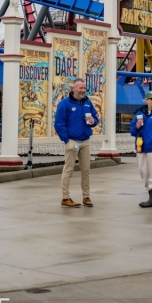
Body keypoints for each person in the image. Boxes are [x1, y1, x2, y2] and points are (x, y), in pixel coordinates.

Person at [54, 79, 99, 208]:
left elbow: (95, 118)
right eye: (81, 88)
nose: (83, 90)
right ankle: (65, 197)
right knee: (68, 170)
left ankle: (86, 196)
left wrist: (93, 121)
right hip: (72, 141)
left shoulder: (87, 102)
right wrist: (66, 140)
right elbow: (59, 124)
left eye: (84, 88)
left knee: (86, 170)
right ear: (73, 88)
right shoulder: (64, 104)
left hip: (85, 140)